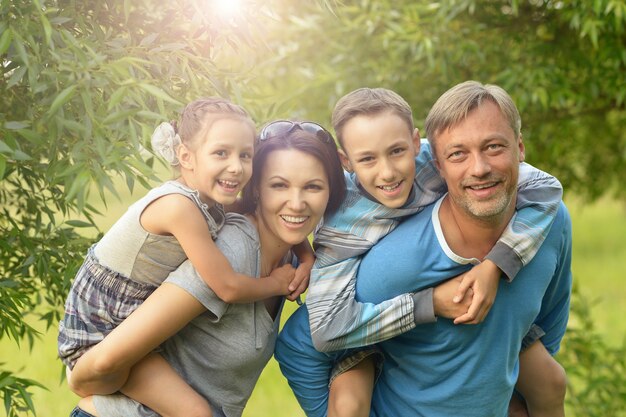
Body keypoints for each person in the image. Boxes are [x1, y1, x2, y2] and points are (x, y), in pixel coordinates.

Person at [277, 82, 571, 417]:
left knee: (551, 381)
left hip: (487, 345)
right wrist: (428, 303)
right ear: (346, 161)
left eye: (397, 151)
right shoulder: (342, 229)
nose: (387, 171)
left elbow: (545, 187)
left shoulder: (442, 160)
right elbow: (325, 330)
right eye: (368, 159)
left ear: (416, 143)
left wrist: (495, 265)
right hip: (380, 321)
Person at [67, 120, 347, 417]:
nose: (297, 203)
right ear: (256, 190)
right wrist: (81, 378)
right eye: (279, 185)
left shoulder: (289, 259)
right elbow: (100, 363)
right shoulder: (232, 254)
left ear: (331, 192)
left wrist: (307, 257)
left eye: (313, 187)